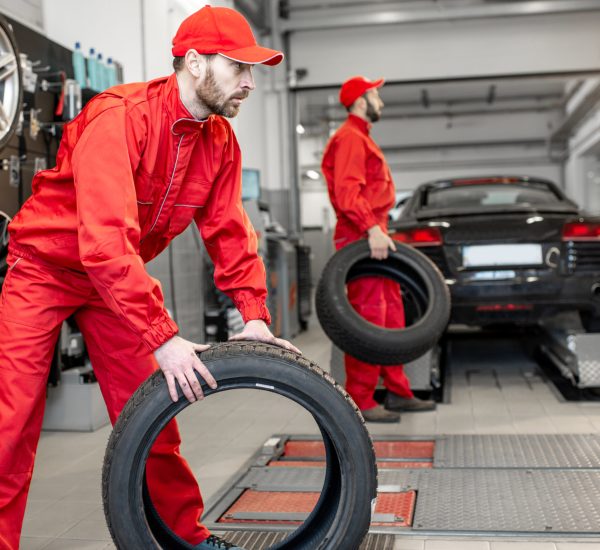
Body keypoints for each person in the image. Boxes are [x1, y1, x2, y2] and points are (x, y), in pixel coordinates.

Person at [0, 6, 299, 550]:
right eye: (239, 68)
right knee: (11, 423)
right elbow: (105, 239)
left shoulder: (220, 142)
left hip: (115, 281)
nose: (250, 83)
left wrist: (254, 316)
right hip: (46, 267)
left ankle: (184, 540)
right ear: (193, 62)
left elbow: (230, 232)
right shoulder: (119, 117)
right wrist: (161, 336)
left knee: (154, 414)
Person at [321, 76, 436, 423]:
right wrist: (371, 228)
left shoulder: (361, 138)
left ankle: (399, 392)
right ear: (360, 100)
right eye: (375, 95)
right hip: (360, 235)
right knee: (369, 319)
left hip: (374, 232)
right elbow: (347, 193)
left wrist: (377, 229)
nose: (380, 101)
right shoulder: (349, 139)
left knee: (391, 318)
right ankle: (362, 400)